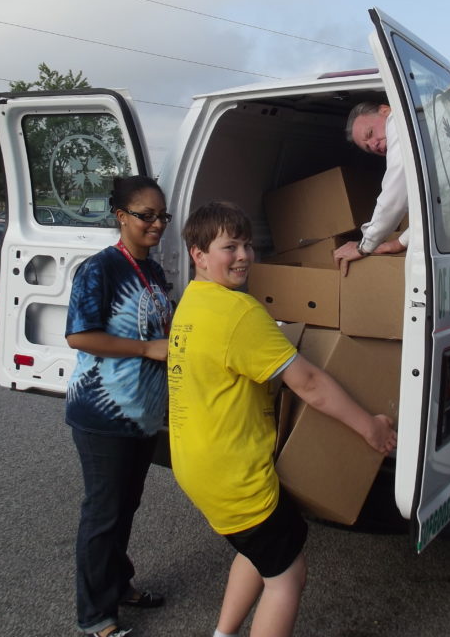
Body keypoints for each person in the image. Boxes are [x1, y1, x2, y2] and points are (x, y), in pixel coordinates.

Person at [168, 201, 397, 637]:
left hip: (198, 465)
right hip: (234, 476)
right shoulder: (238, 313)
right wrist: (371, 428)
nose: (243, 256)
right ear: (199, 254)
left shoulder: (194, 303)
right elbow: (308, 383)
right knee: (287, 576)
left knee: (260, 551)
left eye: (247, 245)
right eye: (229, 247)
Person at [64, 176, 174, 637]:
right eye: (146, 215)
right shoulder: (100, 269)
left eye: (162, 216)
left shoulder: (154, 271)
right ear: (121, 216)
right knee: (104, 513)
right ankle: (95, 617)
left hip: (141, 414)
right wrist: (147, 349)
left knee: (125, 506)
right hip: (101, 415)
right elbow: (78, 336)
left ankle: (118, 584)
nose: (156, 224)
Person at [332, 95, 450, 273]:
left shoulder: (403, 120)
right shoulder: (428, 127)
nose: (373, 145)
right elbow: (444, 206)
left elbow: (393, 197)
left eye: (370, 134)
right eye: (368, 147)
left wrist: (364, 246)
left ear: (385, 111)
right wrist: (399, 243)